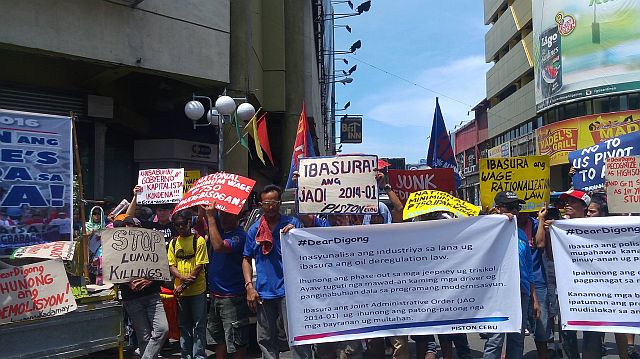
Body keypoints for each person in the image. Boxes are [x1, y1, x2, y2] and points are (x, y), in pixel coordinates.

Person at [242, 184, 312, 359]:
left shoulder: (292, 224)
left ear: (280, 203)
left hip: (290, 291)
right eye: (266, 203)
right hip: (264, 292)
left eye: (273, 202)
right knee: (265, 339)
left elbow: (307, 249)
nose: (270, 206)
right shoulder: (254, 230)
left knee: (297, 337)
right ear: (261, 204)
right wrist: (249, 287)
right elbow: (246, 259)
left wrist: (297, 234)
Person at [541, 189, 601, 359]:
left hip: (592, 288)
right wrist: (549, 233)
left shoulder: (596, 226)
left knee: (592, 329)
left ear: (584, 206)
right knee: (567, 330)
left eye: (572, 201)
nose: (567, 204)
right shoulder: (558, 227)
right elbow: (552, 256)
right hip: (567, 287)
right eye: (566, 202)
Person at [483, 191, 540, 359]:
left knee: (517, 338)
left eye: (517, 207)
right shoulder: (487, 230)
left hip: (521, 293)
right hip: (497, 294)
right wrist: (493, 219)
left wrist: (534, 298)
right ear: (498, 209)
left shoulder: (521, 234)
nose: (515, 211)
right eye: (511, 207)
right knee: (495, 340)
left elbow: (529, 270)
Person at [116, 216, 169, 359]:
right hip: (131, 298)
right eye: (127, 226)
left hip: (152, 296)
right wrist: (128, 283)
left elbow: (162, 269)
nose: (130, 229)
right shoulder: (117, 247)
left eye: (133, 226)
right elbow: (113, 272)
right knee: (144, 337)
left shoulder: (152, 244)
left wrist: (149, 280)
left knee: (162, 329)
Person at [204, 203, 251, 359]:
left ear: (237, 216)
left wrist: (211, 217)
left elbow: (219, 247)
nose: (223, 218)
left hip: (232, 297)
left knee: (236, 342)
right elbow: (202, 217)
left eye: (228, 215)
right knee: (219, 340)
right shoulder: (218, 228)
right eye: (221, 214)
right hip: (216, 295)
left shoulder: (239, 235)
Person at [168, 210, 209, 359]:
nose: (180, 227)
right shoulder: (173, 242)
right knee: (183, 326)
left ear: (189, 223)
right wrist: (182, 278)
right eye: (177, 225)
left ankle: (199, 355)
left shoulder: (199, 241)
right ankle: (186, 355)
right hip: (180, 292)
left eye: (183, 224)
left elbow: (199, 267)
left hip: (197, 291)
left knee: (199, 325)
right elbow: (171, 265)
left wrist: (183, 284)